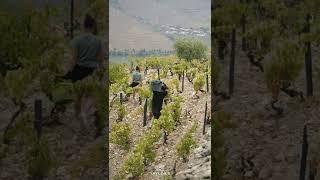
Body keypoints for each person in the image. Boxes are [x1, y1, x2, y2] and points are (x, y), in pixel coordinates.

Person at [63, 14, 104, 135]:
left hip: (78, 71)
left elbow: (73, 59)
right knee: (92, 96)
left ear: (84, 26)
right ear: (93, 26)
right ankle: (87, 115)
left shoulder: (76, 40)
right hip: (92, 71)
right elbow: (100, 59)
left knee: (78, 97)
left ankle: (81, 124)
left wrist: (68, 72)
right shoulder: (98, 41)